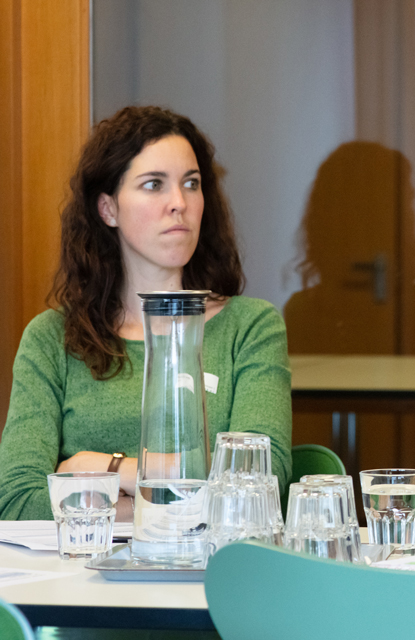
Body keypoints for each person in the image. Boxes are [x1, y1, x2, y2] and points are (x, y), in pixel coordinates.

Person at [0, 106, 292, 521]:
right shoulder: (51, 338)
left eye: (191, 184)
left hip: (207, 576)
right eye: (154, 184)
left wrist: (106, 468)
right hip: (79, 580)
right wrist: (182, 494)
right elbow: (17, 502)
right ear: (108, 210)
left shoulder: (251, 327)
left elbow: (259, 485)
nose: (179, 203)